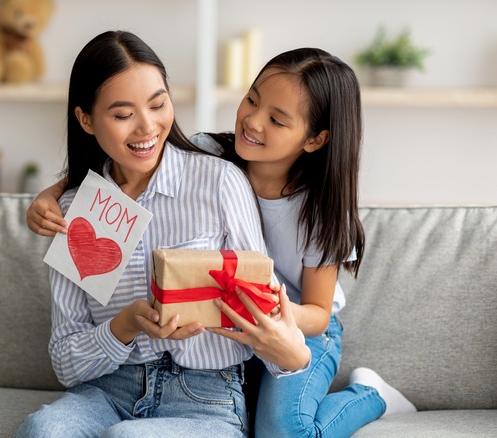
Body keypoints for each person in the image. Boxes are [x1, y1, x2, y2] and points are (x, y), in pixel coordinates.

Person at [25, 47, 417, 437]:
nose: (254, 121)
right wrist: (55, 195)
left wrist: (257, 311)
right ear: (86, 119)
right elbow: (118, 162)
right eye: (251, 100)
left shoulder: (305, 203)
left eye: (277, 120)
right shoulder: (211, 151)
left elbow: (312, 310)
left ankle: (369, 395)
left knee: (285, 431)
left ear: (315, 140)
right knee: (43, 430)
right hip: (140, 372)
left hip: (298, 321)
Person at [15, 30, 310, 438]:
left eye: (158, 104)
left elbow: (266, 313)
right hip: (105, 391)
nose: (147, 127)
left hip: (204, 396)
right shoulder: (74, 213)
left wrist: (291, 353)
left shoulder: (219, 182)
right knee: (42, 430)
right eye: (122, 115)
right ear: (85, 119)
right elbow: (66, 363)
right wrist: (124, 325)